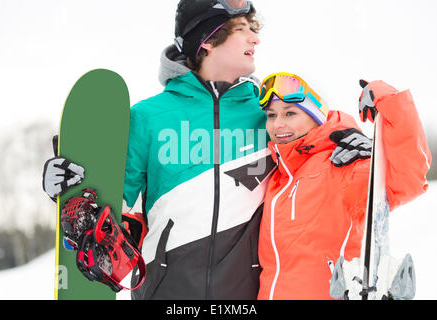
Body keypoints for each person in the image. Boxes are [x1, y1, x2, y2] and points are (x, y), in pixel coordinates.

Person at [42, 1, 371, 300]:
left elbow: (313, 126)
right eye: (242, 30)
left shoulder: (266, 114)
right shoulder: (148, 118)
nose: (255, 40)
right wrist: (72, 183)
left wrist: (347, 131)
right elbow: (118, 208)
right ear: (208, 40)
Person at [256, 72, 431, 300]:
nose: (278, 124)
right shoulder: (278, 178)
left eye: (290, 113)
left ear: (317, 116)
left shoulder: (344, 163)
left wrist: (392, 104)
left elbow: (409, 180)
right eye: (271, 115)